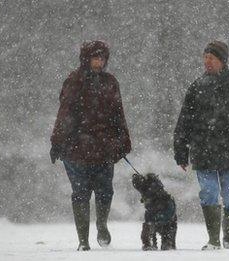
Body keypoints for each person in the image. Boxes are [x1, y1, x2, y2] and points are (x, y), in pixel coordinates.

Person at [173, 40, 229, 250]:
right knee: (208, 193)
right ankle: (213, 239)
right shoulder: (196, 87)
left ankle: (228, 228)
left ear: (222, 60)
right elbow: (184, 120)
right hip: (203, 151)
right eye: (205, 57)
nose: (207, 62)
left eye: (211, 58)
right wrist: (181, 151)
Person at [50, 40, 131, 251]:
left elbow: (117, 115)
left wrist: (123, 141)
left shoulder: (110, 82)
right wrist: (57, 141)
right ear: (86, 59)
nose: (99, 62)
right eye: (96, 58)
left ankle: (102, 223)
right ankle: (83, 241)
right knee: (80, 192)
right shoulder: (74, 81)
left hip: (104, 148)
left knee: (105, 191)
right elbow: (64, 114)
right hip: (76, 148)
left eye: (102, 58)